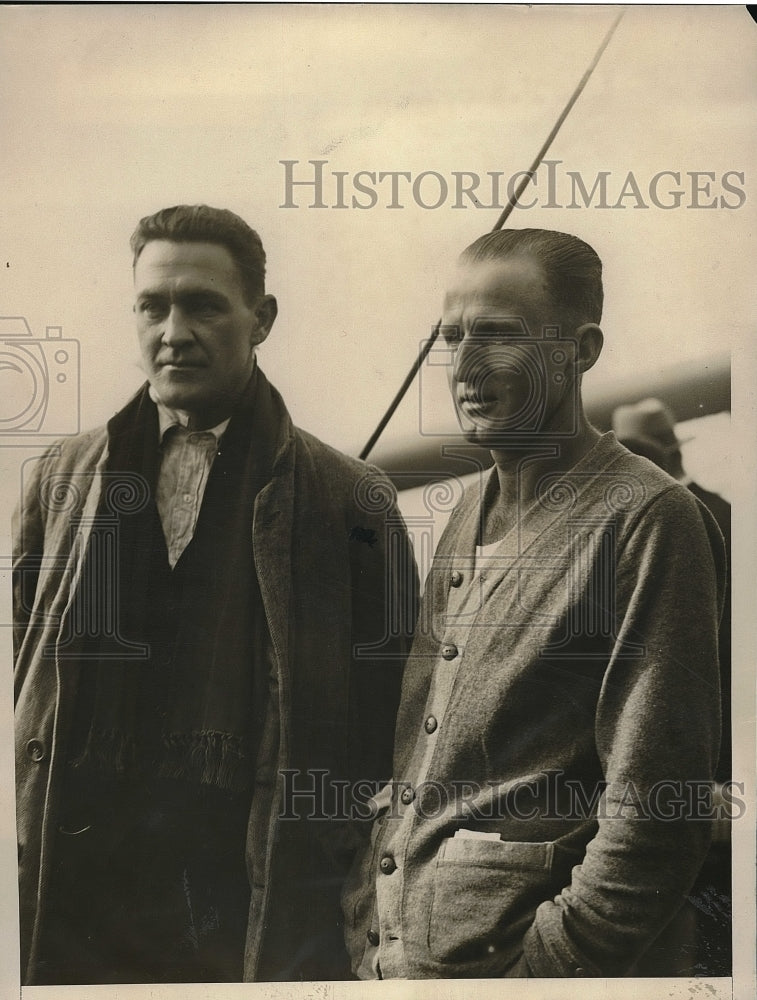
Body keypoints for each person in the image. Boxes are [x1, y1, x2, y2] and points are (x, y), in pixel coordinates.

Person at [13, 205, 417, 985]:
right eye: (151, 306)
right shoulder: (61, 478)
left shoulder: (349, 499)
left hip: (245, 889)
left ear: (259, 318)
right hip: (76, 878)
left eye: (203, 305)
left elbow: (387, 727)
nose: (173, 331)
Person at [342, 228, 727, 979]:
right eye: (451, 338)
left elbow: (658, 804)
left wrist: (548, 969)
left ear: (579, 350)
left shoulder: (648, 518)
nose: (465, 367)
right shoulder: (465, 513)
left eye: (497, 336)